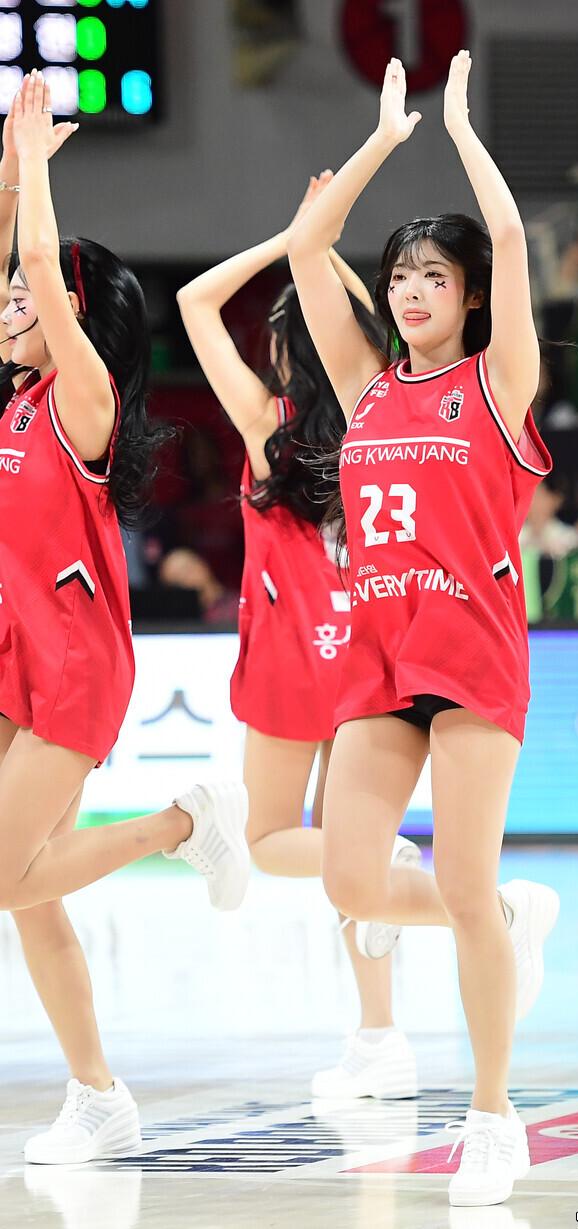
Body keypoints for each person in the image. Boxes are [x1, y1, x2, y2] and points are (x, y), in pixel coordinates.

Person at [287, 52, 560, 1208]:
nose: (409, 292)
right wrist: (386, 141)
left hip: (475, 651)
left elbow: (514, 234)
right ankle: (497, 911)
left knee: (458, 882)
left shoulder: (495, 384)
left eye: (433, 276)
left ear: (470, 297)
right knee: (353, 881)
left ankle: (493, 1116)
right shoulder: (366, 386)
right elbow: (309, 248)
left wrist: (459, 130)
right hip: (379, 653)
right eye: (400, 275)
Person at [0, 72, 249, 1165]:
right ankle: (98, 1095)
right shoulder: (16, 398)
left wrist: (36, 172)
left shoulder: (81, 400)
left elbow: (46, 285)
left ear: (74, 319)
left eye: (31, 295)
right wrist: (9, 176)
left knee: (2, 875)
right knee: (26, 891)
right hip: (15, 654)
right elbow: (18, 274)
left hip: (73, 664)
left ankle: (182, 826)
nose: (13, 303)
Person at [177, 175, 421, 1101]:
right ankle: (378, 1035)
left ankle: (382, 904)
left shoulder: (262, 427)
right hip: (369, 652)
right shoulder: (383, 415)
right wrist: (323, 250)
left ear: (284, 346)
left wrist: (291, 240)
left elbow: (195, 300)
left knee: (269, 835)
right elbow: (368, 325)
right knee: (352, 851)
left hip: (290, 655)